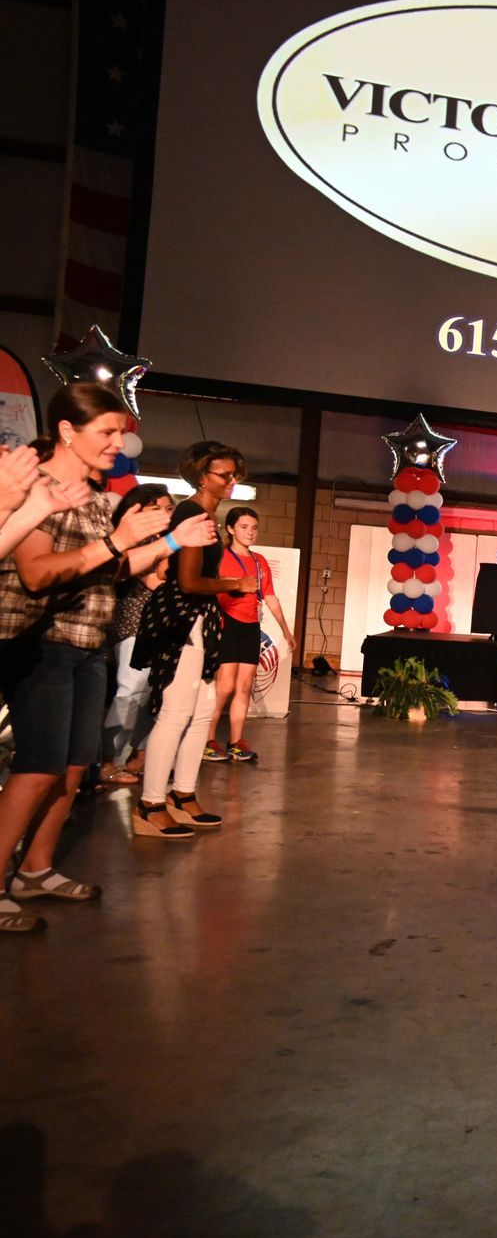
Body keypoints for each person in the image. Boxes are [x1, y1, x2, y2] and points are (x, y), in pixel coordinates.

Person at [0, 383, 214, 933]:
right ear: (67, 431)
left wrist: (168, 543)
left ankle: (36, 868)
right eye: (108, 432)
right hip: (45, 643)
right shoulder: (33, 487)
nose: (121, 442)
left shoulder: (95, 497)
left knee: (73, 768)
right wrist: (118, 543)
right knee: (36, 767)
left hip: (90, 643)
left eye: (121, 431)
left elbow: (109, 568)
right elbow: (37, 574)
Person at [133, 441, 251, 838]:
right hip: (184, 620)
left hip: (201, 619)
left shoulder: (205, 515)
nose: (232, 481)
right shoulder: (192, 513)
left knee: (202, 710)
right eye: (225, 475)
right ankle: (151, 803)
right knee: (177, 710)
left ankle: (182, 795)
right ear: (202, 476)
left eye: (235, 474)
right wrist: (235, 582)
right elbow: (187, 582)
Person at [204, 507, 298, 763]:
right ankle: (207, 740)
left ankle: (235, 741)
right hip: (228, 624)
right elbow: (209, 591)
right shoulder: (221, 558)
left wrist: (286, 631)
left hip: (250, 626)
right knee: (224, 686)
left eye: (254, 527)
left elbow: (270, 597)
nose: (250, 532)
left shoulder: (259, 561)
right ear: (231, 529)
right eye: (244, 527)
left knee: (244, 686)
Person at [99, 485, 174, 786]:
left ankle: (136, 756)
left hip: (158, 624)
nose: (169, 513)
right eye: (163, 507)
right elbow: (156, 580)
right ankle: (107, 762)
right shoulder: (136, 538)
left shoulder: (162, 541)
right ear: (143, 507)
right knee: (130, 689)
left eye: (170, 508)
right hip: (133, 621)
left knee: (147, 693)